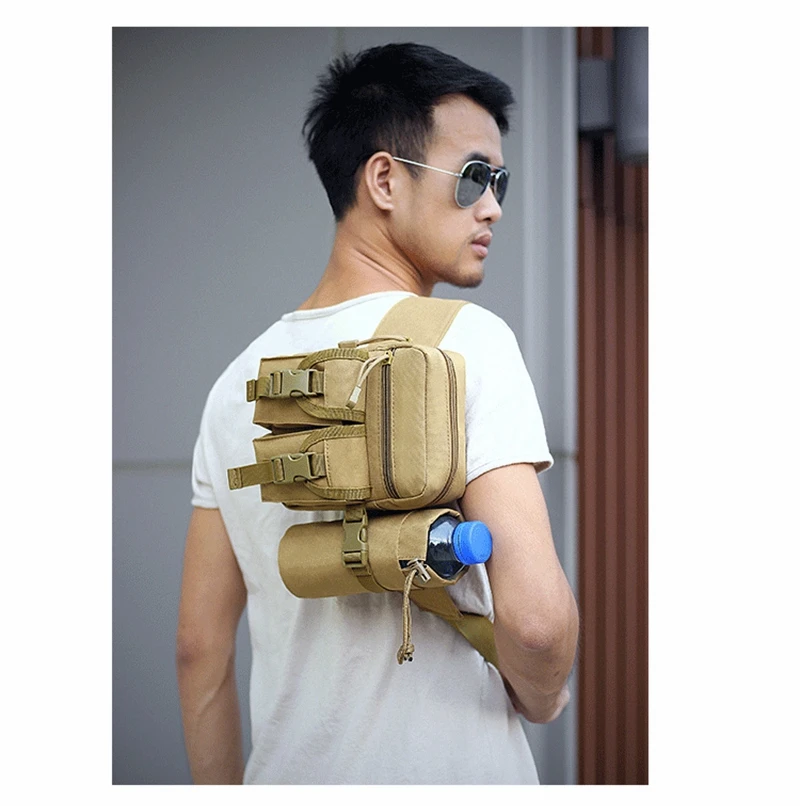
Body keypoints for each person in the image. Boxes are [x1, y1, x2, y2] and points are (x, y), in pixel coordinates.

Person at [176, 42, 579, 785]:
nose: (493, 204)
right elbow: (537, 624)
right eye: (473, 176)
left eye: (501, 181)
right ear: (385, 179)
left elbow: (199, 652)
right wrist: (546, 694)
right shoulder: (469, 342)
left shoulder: (236, 385)